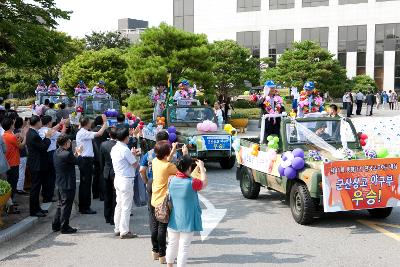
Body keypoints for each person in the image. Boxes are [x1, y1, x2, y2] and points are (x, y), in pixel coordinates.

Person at [140, 131, 183, 263]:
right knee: (162, 228)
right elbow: (182, 172)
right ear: (166, 153)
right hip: (163, 201)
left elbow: (166, 159)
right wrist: (185, 154)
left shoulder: (155, 160)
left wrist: (173, 150)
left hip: (153, 197)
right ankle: (162, 255)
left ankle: (155, 251)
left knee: (153, 225)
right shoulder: (169, 166)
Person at [166, 155, 207, 267]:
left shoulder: (171, 180)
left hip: (173, 218)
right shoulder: (192, 182)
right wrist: (202, 168)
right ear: (189, 168)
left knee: (172, 244)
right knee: (183, 248)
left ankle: (169, 265)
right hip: (188, 220)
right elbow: (204, 182)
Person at [111, 127, 140, 239]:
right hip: (126, 179)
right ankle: (124, 230)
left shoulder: (114, 148)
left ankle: (117, 228)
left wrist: (132, 154)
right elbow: (135, 164)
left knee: (119, 204)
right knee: (126, 206)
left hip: (118, 178)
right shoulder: (125, 149)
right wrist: (135, 155)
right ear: (126, 138)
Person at [76, 115, 108, 214]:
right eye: (89, 122)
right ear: (86, 124)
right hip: (85, 160)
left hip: (86, 160)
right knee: (86, 184)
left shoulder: (83, 132)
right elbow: (99, 133)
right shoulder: (83, 132)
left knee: (85, 183)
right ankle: (85, 207)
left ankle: (83, 206)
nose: (91, 123)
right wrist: (105, 123)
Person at [52, 134, 83, 234]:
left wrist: (75, 154)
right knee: (66, 206)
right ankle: (64, 226)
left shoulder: (57, 152)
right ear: (66, 143)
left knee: (60, 204)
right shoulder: (67, 154)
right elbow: (78, 161)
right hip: (67, 183)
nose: (70, 143)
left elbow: (70, 160)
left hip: (59, 181)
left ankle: (56, 224)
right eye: (69, 142)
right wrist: (79, 153)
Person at [26, 115, 53, 217]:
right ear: (37, 123)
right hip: (36, 164)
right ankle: (34, 210)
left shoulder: (33, 132)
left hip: (37, 163)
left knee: (37, 187)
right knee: (35, 188)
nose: (41, 123)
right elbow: (44, 147)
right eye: (40, 122)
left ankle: (37, 208)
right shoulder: (33, 134)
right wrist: (48, 137)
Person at [38, 115, 64, 203]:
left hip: (43, 154)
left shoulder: (39, 130)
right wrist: (62, 125)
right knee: (51, 176)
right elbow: (62, 134)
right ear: (49, 122)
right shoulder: (49, 131)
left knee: (45, 175)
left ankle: (45, 194)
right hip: (50, 154)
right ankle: (48, 196)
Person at [3, 117, 25, 214]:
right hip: (13, 163)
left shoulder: (5, 135)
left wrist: (18, 137)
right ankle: (9, 206)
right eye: (13, 123)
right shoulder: (11, 136)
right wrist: (24, 137)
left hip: (8, 163)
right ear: (11, 125)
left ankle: (9, 204)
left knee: (10, 184)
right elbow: (21, 146)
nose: (14, 124)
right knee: (12, 184)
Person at [100, 127, 118, 225]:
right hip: (116, 172)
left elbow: (101, 160)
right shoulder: (119, 145)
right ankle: (113, 217)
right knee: (115, 195)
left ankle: (107, 216)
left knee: (107, 194)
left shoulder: (103, 144)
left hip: (106, 171)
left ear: (109, 135)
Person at [92, 116, 109, 200]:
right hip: (102, 155)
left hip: (94, 155)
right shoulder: (104, 131)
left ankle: (95, 193)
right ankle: (102, 195)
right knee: (102, 174)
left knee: (95, 174)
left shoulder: (92, 130)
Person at [13, 117, 28, 194]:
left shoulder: (13, 131)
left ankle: (17, 187)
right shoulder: (20, 132)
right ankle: (19, 188)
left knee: (17, 172)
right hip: (21, 154)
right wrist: (25, 136)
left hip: (15, 154)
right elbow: (23, 143)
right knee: (21, 172)